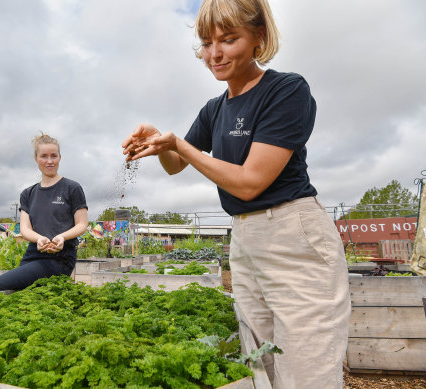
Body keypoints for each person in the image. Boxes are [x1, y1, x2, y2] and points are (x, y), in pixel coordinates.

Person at [121, 0, 350, 388]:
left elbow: (250, 182)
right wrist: (159, 140)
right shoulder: (215, 108)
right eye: (207, 43)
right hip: (244, 238)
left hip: (293, 236)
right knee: (261, 365)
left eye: (228, 40)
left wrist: (180, 144)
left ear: (259, 36)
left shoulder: (286, 90)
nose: (215, 53)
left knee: (307, 369)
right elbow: (177, 165)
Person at [0, 133, 88, 293]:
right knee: (22, 295)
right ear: (36, 158)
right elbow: (25, 229)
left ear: (60, 157)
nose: (49, 161)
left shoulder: (71, 188)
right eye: (44, 156)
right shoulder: (28, 193)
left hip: (60, 258)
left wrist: (62, 237)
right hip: (33, 254)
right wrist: (39, 239)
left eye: (54, 156)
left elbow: (81, 224)